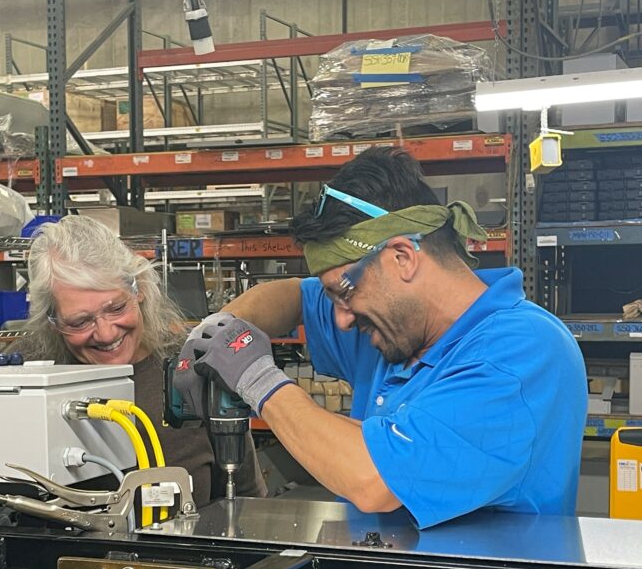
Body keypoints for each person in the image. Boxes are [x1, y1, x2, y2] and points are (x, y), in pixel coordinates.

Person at [174, 147, 586, 528]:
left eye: (345, 292)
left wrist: (256, 378)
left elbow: (372, 480)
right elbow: (293, 297)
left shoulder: (521, 353)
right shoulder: (394, 327)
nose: (340, 320)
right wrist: (219, 330)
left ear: (403, 257)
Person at [15, 215, 266, 505]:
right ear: (52, 323)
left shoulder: (196, 366)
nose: (107, 333)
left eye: (116, 307)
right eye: (80, 322)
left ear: (141, 289)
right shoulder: (26, 380)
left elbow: (247, 498)